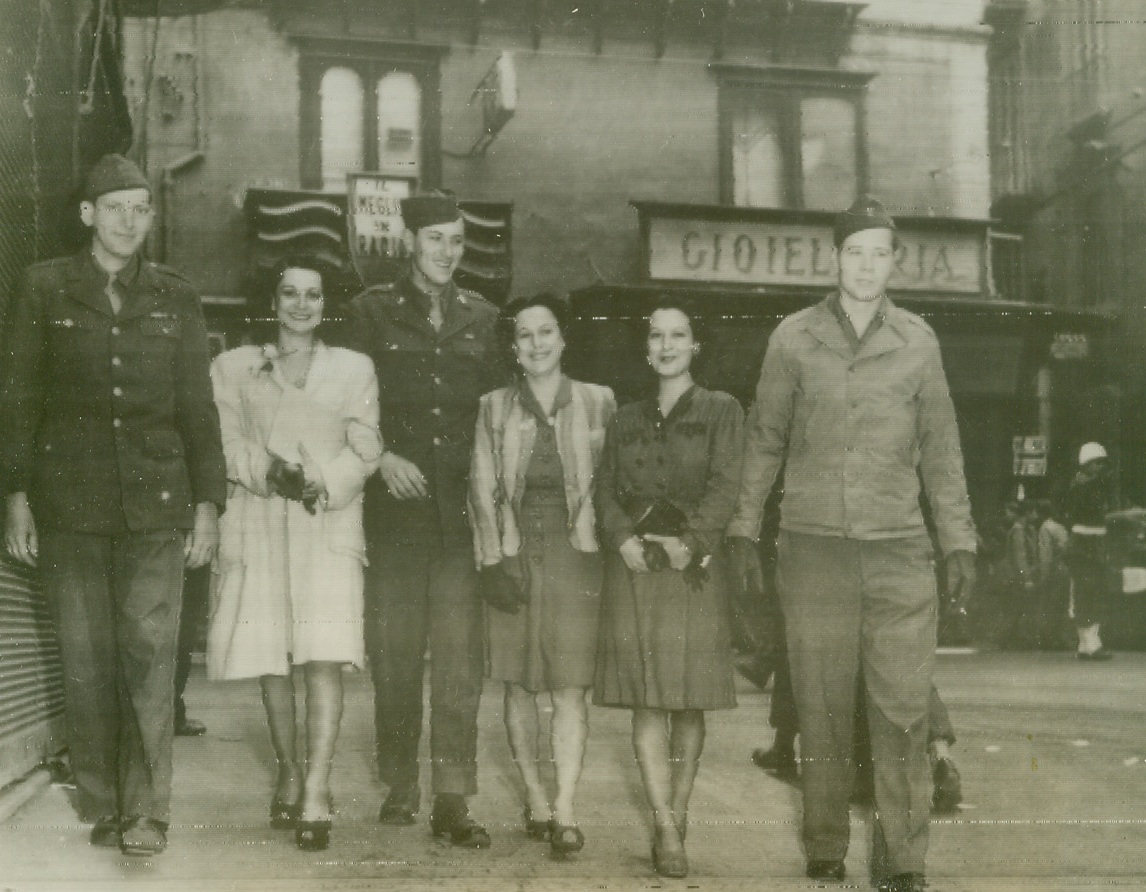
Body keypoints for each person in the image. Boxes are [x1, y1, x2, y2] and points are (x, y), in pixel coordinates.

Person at [725, 196, 976, 892]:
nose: (866, 266)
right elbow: (766, 438)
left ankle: (903, 862)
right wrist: (745, 527)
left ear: (894, 262)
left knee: (900, 708)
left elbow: (941, 448)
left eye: (879, 253)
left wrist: (959, 540)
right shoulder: (793, 339)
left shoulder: (919, 342)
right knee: (822, 703)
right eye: (854, 252)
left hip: (898, 550)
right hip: (812, 549)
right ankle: (827, 844)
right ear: (833, 259)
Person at [0, 154, 226, 856]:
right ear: (88, 215)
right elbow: (19, 399)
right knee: (87, 661)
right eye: (117, 207)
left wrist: (210, 504)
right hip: (70, 505)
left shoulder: (176, 295)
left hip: (158, 506)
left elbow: (198, 406)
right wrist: (15, 495)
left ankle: (147, 810)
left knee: (151, 657)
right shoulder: (44, 288)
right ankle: (102, 800)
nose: (131, 220)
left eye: (142, 208)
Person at [343, 191, 503, 847]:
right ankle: (401, 779)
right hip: (395, 516)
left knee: (461, 662)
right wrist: (381, 460)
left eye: (456, 242)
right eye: (435, 239)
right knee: (397, 655)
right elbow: (346, 407)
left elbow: (496, 412)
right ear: (410, 241)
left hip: (462, 518)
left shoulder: (484, 316)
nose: (446, 252)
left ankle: (453, 796)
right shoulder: (367, 312)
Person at [206, 256, 380, 851]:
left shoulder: (354, 369)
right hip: (260, 518)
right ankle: (287, 768)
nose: (301, 304)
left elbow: (367, 445)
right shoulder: (233, 367)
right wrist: (270, 471)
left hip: (324, 521)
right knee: (272, 653)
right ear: (272, 300)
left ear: (326, 303)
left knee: (324, 655)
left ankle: (317, 787)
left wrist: (323, 479)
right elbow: (224, 441)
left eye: (313, 294)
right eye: (289, 293)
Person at [594, 298, 744, 879]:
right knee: (648, 698)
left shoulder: (722, 409)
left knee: (687, 700)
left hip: (692, 571)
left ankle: (678, 812)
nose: (666, 346)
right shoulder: (625, 417)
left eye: (678, 335)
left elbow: (728, 482)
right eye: (656, 336)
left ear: (695, 345)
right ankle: (661, 823)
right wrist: (622, 539)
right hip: (636, 569)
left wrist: (695, 542)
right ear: (646, 345)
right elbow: (604, 489)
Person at [468, 293, 616, 857]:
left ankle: (566, 808)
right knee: (518, 680)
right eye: (525, 334)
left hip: (579, 556)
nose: (536, 343)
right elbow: (480, 488)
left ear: (563, 338)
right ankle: (533, 795)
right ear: (513, 346)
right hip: (511, 550)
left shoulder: (601, 402)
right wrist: (493, 560)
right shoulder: (493, 406)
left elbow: (614, 483)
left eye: (546, 331)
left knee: (571, 685)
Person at [1063, 442, 1116, 661]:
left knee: (1094, 590)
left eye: (1102, 464)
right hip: (1084, 542)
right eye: (1096, 463)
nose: (1100, 468)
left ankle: (1088, 643)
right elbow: (1091, 511)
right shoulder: (1082, 486)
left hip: (1093, 541)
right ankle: (1090, 643)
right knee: (1087, 591)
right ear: (1086, 465)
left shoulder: (1092, 485)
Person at [1034, 499, 1071, 649]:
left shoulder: (1045, 528)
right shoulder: (1059, 527)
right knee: (1061, 605)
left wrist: (1044, 575)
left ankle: (1049, 639)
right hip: (1065, 568)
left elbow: (1045, 554)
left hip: (1054, 569)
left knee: (1049, 605)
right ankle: (1060, 637)